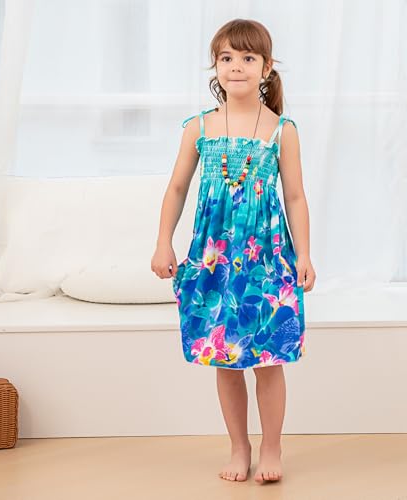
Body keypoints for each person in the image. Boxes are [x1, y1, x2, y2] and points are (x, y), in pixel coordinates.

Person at [151, 18, 316, 485]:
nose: (236, 66)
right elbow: (177, 187)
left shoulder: (282, 130)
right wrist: (163, 241)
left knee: (268, 360)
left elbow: (295, 197)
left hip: (267, 260)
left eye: (247, 58)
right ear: (216, 66)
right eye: (226, 58)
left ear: (266, 67)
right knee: (224, 358)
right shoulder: (198, 127)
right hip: (213, 260)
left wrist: (304, 255)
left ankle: (272, 446)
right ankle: (239, 446)